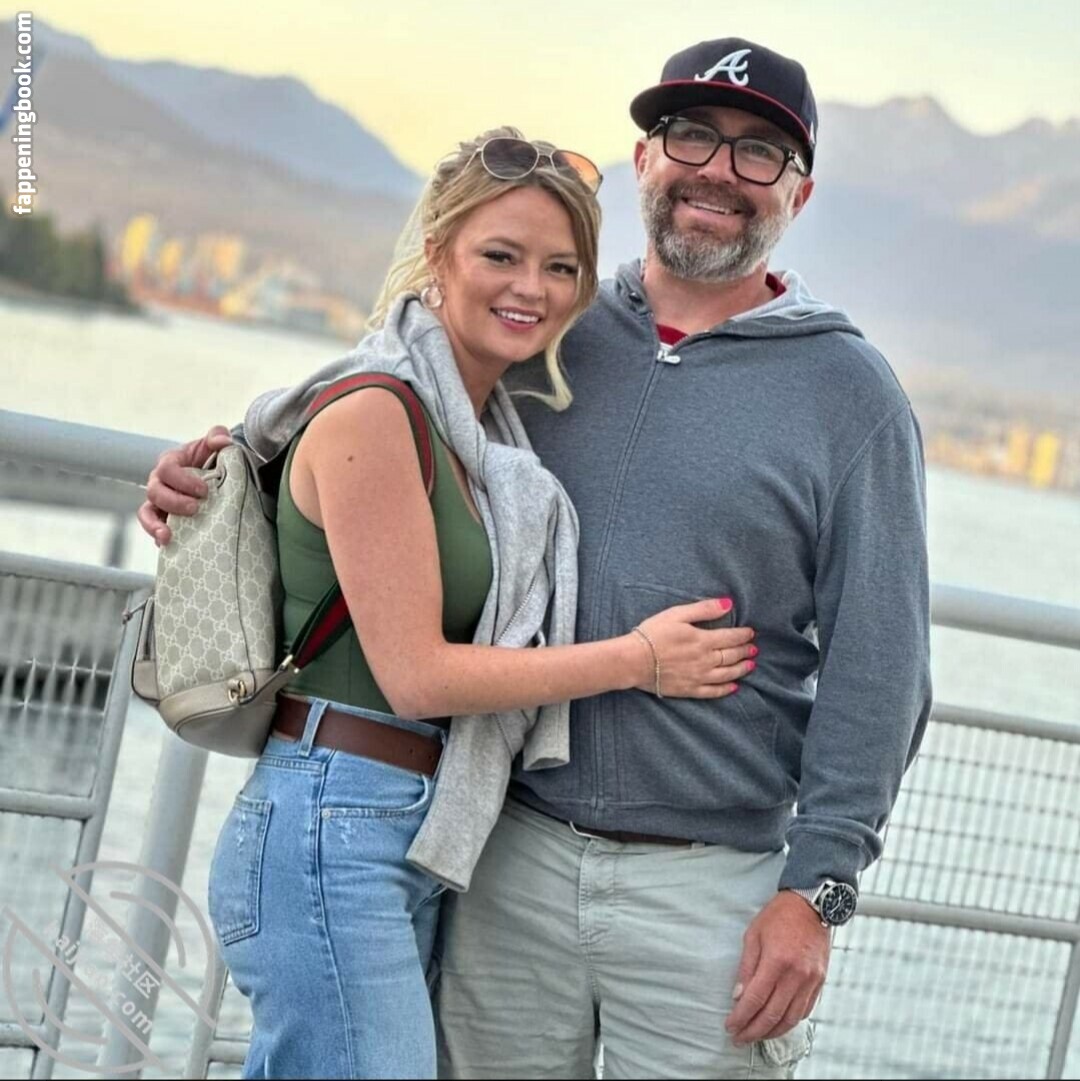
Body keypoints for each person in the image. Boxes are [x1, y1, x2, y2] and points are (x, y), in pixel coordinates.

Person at [141, 37, 932, 1081]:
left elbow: (883, 667)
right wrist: (220, 471)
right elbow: (386, 399)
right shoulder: (550, 327)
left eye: (758, 153)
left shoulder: (851, 395)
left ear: (801, 191)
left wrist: (818, 890)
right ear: (645, 158)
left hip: (706, 895)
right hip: (501, 859)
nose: (717, 171)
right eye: (691, 136)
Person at [159, 127, 756, 1080]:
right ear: (438, 254)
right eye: (501, 256)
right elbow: (416, 674)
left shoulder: (482, 434)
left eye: (561, 268)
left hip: (408, 826)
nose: (533, 289)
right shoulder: (378, 412)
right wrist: (639, 661)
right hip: (331, 824)